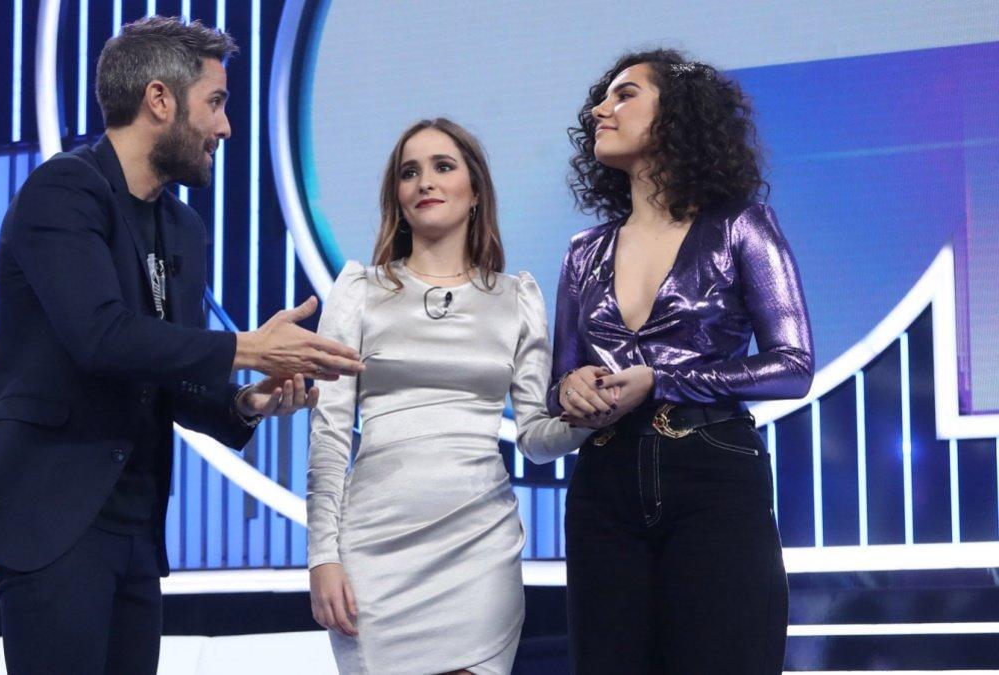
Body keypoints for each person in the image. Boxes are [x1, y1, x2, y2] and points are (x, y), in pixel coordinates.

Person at [0, 17, 362, 675]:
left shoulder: (183, 226)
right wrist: (247, 347)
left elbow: (169, 374)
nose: (226, 128)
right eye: (215, 103)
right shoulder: (65, 190)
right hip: (52, 517)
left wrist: (247, 399)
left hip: (137, 526)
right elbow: (98, 337)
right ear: (159, 100)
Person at [549, 49, 813, 673]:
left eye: (624, 95)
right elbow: (556, 385)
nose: (599, 110)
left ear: (679, 115)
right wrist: (571, 386)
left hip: (713, 473)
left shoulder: (741, 226)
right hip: (602, 486)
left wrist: (664, 380)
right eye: (601, 98)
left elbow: (794, 364)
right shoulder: (582, 252)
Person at [305, 118, 592, 675]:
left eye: (443, 166)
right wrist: (323, 557)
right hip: (375, 548)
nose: (424, 182)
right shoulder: (360, 291)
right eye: (409, 172)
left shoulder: (518, 297)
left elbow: (535, 438)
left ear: (475, 191)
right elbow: (329, 435)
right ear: (397, 196)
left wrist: (592, 415)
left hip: (478, 548)